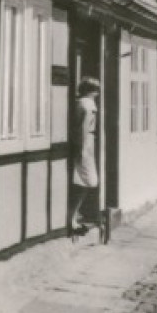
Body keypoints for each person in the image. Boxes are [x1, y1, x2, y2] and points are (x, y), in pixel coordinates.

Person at [69, 78, 101, 234]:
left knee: (83, 180)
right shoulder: (88, 105)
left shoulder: (79, 102)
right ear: (92, 90)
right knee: (87, 181)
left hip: (85, 143)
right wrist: (82, 148)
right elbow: (83, 127)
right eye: (97, 89)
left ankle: (74, 214)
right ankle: (72, 216)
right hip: (86, 143)